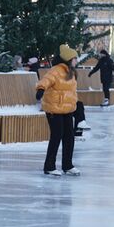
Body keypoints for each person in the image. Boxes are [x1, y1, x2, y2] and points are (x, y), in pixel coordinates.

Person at [35, 44, 80, 177]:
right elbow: (46, 80)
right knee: (56, 136)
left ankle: (67, 165)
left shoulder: (70, 72)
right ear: (68, 59)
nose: (76, 61)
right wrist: (41, 89)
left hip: (67, 109)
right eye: (75, 58)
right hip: (54, 109)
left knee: (69, 138)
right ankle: (49, 166)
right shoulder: (56, 70)